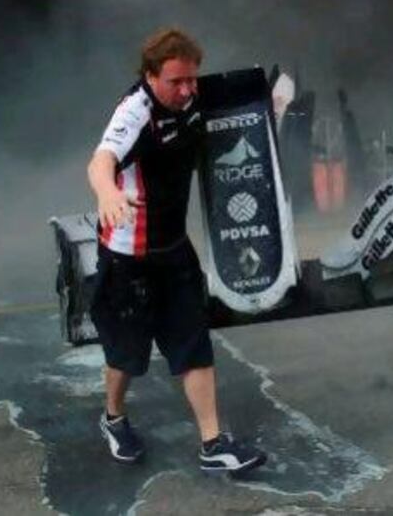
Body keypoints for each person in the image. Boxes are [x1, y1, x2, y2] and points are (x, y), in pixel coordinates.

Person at [87, 28, 266, 470]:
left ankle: (213, 443)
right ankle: (113, 417)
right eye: (176, 82)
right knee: (127, 353)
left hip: (173, 249)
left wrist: (270, 101)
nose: (187, 90)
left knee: (193, 344)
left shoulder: (193, 97)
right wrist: (107, 194)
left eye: (192, 80)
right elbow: (101, 160)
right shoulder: (135, 111)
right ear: (150, 76)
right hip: (128, 256)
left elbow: (251, 89)